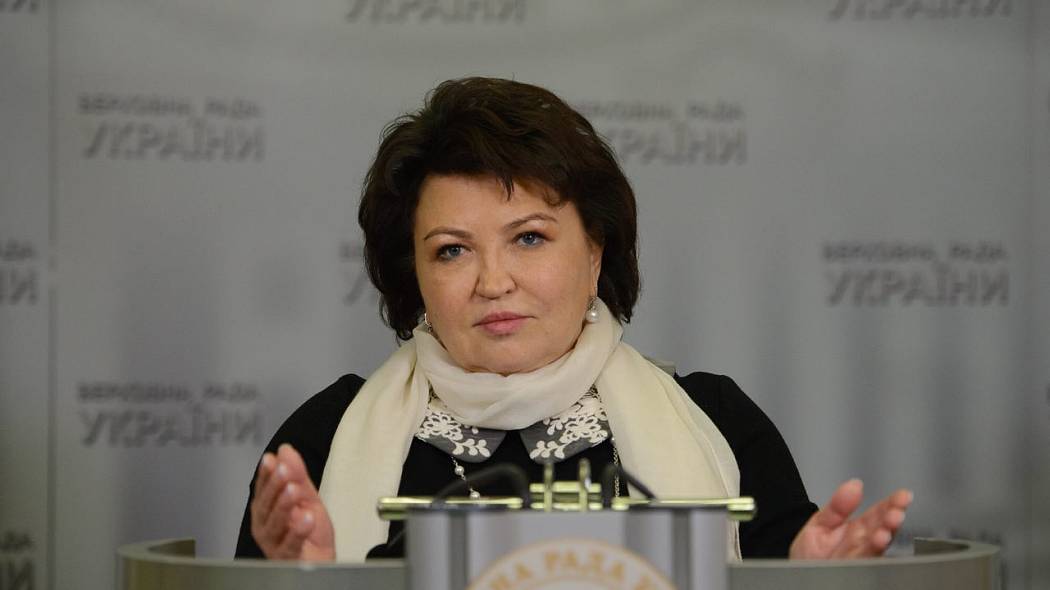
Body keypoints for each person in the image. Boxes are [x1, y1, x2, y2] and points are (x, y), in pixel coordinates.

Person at [236, 77, 912, 562]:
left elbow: (790, 565)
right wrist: (299, 586)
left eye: (529, 238)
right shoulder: (322, 439)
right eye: (452, 250)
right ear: (414, 272)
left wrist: (807, 583)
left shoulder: (717, 420)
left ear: (595, 253)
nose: (493, 282)